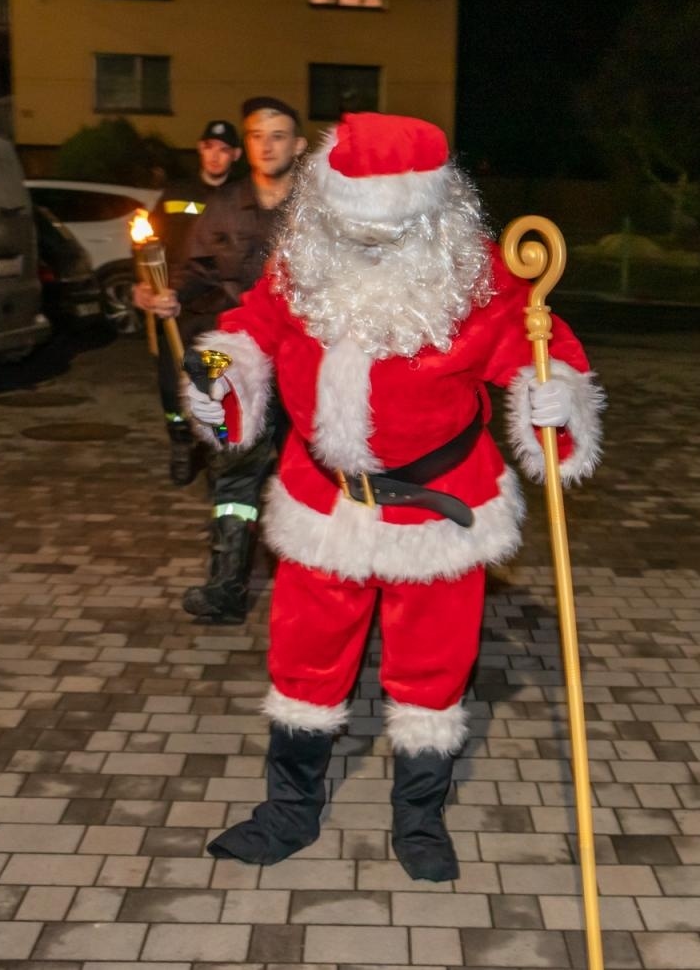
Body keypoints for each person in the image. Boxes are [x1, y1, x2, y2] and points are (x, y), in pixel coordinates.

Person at [183, 112, 604, 881]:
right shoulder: (301, 266)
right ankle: (288, 812)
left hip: (439, 512)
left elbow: (543, 354)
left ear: (435, 213)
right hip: (324, 505)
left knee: (433, 677)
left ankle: (420, 821)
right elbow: (249, 330)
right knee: (303, 668)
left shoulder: (482, 282)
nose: (369, 246)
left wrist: (555, 399)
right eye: (354, 228)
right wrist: (224, 377)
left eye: (389, 232)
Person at [135, 96, 308, 624]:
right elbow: (196, 273)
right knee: (232, 470)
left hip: (303, 355)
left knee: (306, 470)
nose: (267, 144)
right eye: (257, 134)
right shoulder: (224, 206)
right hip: (232, 353)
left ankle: (307, 584)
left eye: (278, 135)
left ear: (298, 146)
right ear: (245, 145)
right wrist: (168, 296)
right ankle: (226, 586)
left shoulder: (318, 206)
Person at [146, 118, 241, 486]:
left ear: (233, 155)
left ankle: (218, 450)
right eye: (208, 147)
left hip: (219, 310)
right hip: (175, 309)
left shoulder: (238, 198)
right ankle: (181, 444)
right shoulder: (173, 195)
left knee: (215, 383)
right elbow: (149, 244)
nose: (215, 156)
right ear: (200, 149)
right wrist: (145, 287)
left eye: (223, 149)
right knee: (173, 386)